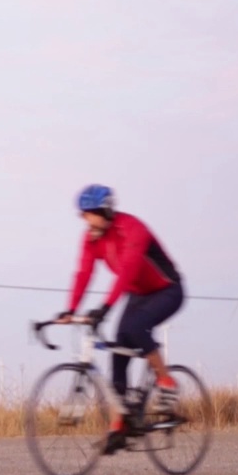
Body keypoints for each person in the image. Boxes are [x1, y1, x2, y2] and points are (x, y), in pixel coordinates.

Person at [57, 184, 185, 454]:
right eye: (82, 215)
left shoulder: (132, 228)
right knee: (118, 348)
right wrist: (70, 309)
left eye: (89, 214)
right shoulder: (91, 239)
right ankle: (121, 423)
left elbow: (127, 271)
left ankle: (165, 381)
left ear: (105, 210)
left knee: (136, 327)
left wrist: (105, 307)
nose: (85, 220)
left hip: (168, 289)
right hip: (138, 294)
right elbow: (84, 273)